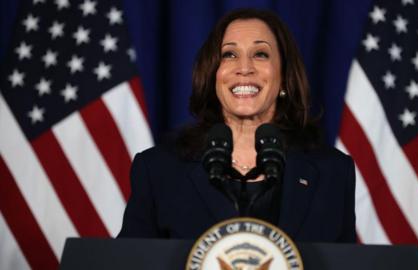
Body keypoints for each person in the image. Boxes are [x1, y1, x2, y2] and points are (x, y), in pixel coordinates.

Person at [118, 8, 356, 243]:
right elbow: (129, 262)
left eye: (261, 54)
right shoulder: (159, 171)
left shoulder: (333, 173)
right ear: (213, 75)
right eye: (229, 55)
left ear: (283, 77)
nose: (244, 68)